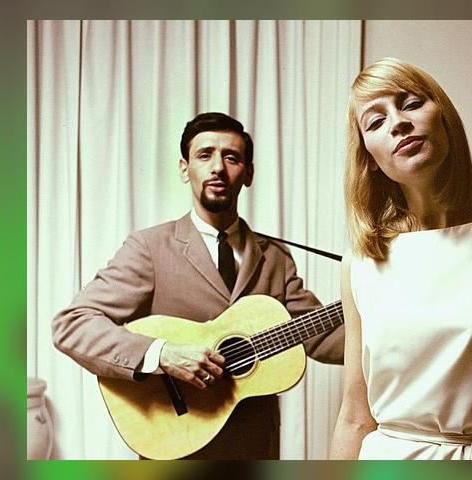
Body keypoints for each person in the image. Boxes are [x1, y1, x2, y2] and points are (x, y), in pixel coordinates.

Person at [52, 112, 344, 459]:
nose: (217, 167)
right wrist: (162, 354)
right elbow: (73, 324)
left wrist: (386, 320)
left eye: (231, 157)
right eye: (205, 155)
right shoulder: (150, 248)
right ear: (184, 168)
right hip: (176, 445)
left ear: (248, 173)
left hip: (256, 446)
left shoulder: (275, 258)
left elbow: (320, 335)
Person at [329, 58, 472, 460]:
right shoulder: (361, 260)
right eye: (376, 122)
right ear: (369, 158)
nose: (398, 123)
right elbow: (354, 417)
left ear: (444, 116)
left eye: (411, 103)